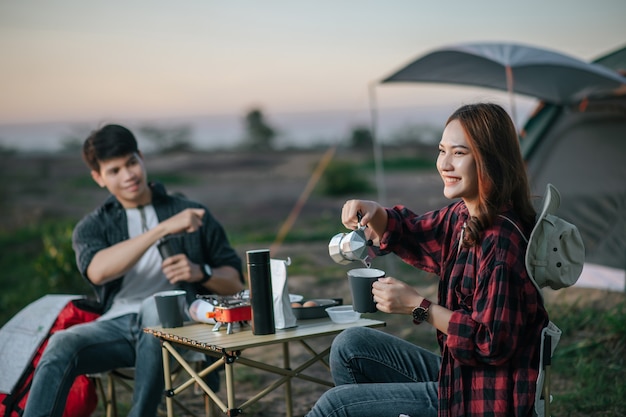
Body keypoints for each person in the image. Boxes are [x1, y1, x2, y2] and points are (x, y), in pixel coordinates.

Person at [306, 103, 549, 417]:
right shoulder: (465, 217)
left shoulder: (501, 243)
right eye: (441, 150)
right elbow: (412, 233)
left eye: (459, 153)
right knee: (350, 345)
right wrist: (375, 211)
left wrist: (419, 306)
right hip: (461, 377)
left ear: (490, 161)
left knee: (335, 406)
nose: (445, 164)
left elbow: (492, 343)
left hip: (485, 399)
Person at [23, 124, 245, 417]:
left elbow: (236, 283)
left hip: (180, 329)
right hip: (117, 326)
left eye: (131, 163)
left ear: (141, 157)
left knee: (156, 305)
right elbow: (97, 272)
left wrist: (200, 272)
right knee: (61, 342)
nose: (128, 175)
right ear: (98, 177)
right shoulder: (94, 226)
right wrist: (163, 228)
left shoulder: (192, 212)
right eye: (114, 170)